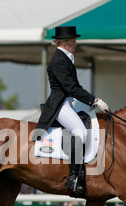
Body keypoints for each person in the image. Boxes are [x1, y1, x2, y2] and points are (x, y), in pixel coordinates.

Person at [32, 26, 110, 195]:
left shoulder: (68, 57)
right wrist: (94, 100)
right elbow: (71, 87)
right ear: (64, 42)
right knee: (80, 133)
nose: (76, 43)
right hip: (61, 104)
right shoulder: (58, 60)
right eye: (73, 41)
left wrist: (90, 101)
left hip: (70, 101)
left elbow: (76, 88)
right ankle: (73, 177)